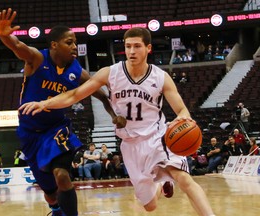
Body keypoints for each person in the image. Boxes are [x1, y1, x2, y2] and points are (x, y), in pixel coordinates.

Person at [19, 27, 215, 215]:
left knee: (184, 178)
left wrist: (182, 118)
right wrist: (45, 103)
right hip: (130, 145)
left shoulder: (161, 77)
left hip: (157, 137)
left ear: (148, 48)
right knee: (150, 206)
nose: (131, 51)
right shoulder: (110, 73)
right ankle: (162, 182)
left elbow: (181, 109)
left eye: (137, 46)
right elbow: (74, 95)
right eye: (128, 46)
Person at [0, 8, 118, 216]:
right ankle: (55, 210)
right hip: (28, 133)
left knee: (62, 176)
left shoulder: (77, 71)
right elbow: (17, 45)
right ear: (54, 44)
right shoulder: (37, 59)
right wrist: (3, 35)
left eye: (74, 42)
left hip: (56, 128)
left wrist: (114, 116)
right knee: (50, 193)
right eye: (68, 42)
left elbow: (101, 95)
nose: (74, 46)